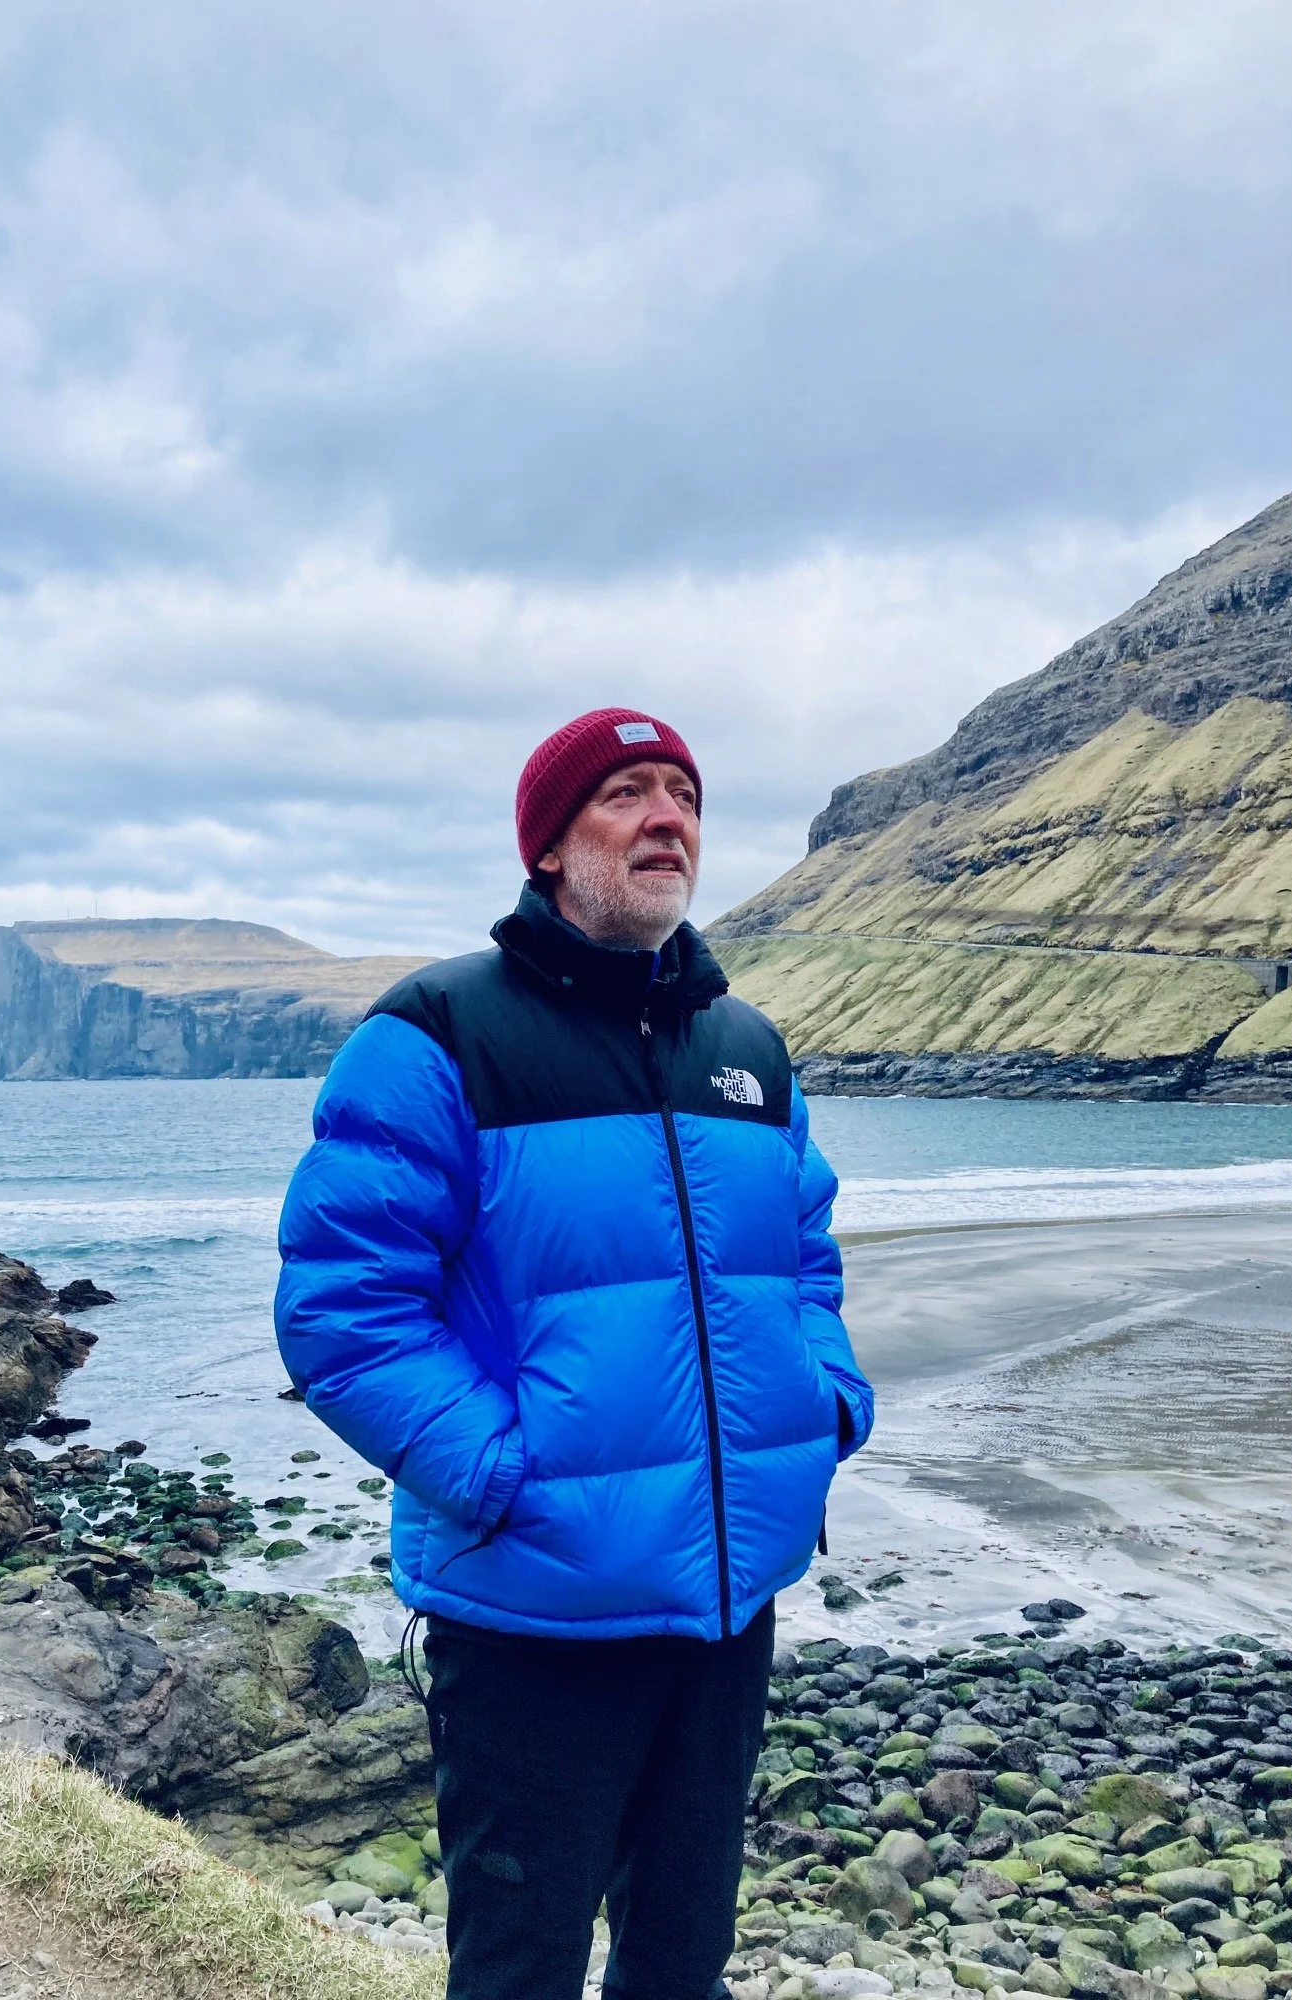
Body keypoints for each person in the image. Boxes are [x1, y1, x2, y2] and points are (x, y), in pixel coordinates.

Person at [275, 707, 873, 2000]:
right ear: (549, 846)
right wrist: (505, 1478)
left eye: (684, 796)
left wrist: (824, 1407)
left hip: (726, 1600)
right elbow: (343, 1312)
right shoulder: (437, 1036)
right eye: (626, 795)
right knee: (519, 1971)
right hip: (534, 1608)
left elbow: (806, 1252)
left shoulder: (749, 1053)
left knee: (680, 1965)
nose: (669, 818)